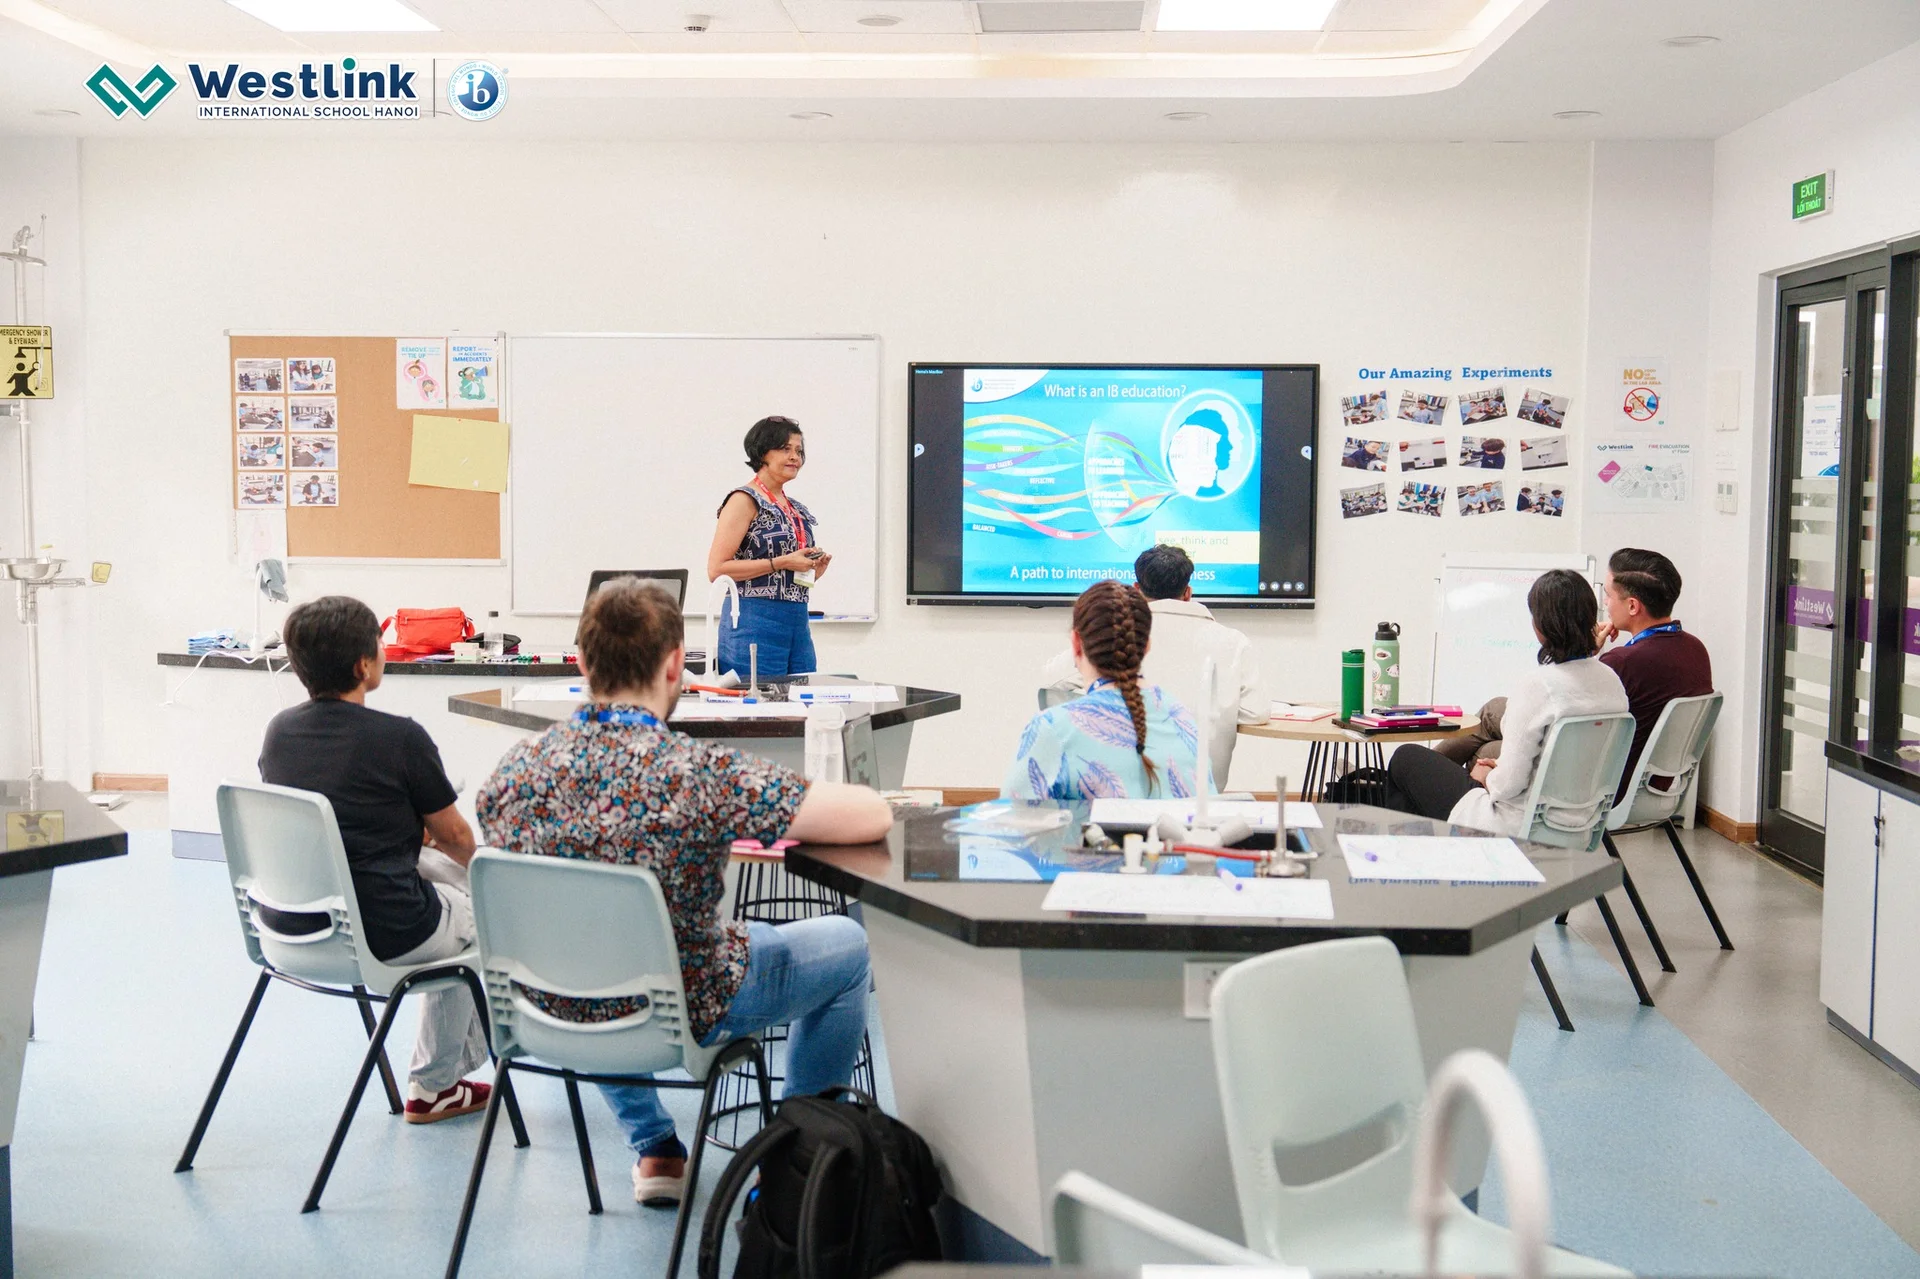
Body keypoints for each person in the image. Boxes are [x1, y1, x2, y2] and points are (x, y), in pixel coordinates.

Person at [476, 579, 891, 1207]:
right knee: (849, 947)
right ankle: (796, 1165)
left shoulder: (510, 775)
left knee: (594, 958)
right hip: (689, 1006)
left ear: (582, 663)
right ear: (676, 665)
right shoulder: (699, 772)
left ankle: (656, 1148)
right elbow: (869, 815)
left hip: (546, 1005)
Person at [257, 596, 493, 1124]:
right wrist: (480, 866)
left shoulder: (279, 733)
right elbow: (457, 837)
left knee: (444, 879)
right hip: (385, 930)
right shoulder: (400, 738)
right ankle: (435, 1085)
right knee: (484, 908)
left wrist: (408, 832)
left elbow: (336, 816)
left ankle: (446, 1077)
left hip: (294, 923)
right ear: (364, 665)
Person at [1435, 550, 1707, 793]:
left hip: (1603, 779)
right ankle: (1428, 776)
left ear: (1633, 606)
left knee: (1485, 750)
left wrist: (1585, 651)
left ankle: (1431, 782)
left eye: (1609, 595)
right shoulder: (1694, 648)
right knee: (1495, 710)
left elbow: (1566, 707)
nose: (1606, 604)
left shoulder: (1622, 664)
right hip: (1656, 779)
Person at [1384, 569, 1628, 832]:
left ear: (1541, 626)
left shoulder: (1538, 686)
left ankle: (1409, 850)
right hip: (1584, 821)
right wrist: (1497, 768)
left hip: (1516, 824)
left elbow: (1508, 785)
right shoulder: (1612, 682)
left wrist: (1488, 776)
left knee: (1405, 758)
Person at [1039, 545, 1262, 785]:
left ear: (1137, 590)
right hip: (1202, 795)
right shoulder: (1233, 642)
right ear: (1188, 593)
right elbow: (1257, 712)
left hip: (1122, 794)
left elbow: (1051, 679)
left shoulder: (1117, 632)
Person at [1008, 580, 1206, 800]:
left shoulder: (1053, 729)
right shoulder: (1183, 720)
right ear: (1147, 646)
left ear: (1076, 643)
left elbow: (1018, 816)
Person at [706, 416, 829, 680]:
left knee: (803, 698)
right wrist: (781, 562)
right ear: (762, 452)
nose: (795, 457)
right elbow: (717, 569)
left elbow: (786, 573)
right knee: (758, 701)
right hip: (753, 618)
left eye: (799, 451)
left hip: (797, 622)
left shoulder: (795, 508)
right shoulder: (744, 500)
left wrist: (811, 571)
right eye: (785, 449)